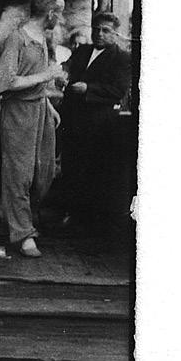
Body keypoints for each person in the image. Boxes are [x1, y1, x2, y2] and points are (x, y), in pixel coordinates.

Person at [0, 0, 66, 258]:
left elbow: (35, 79)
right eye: (60, 13)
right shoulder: (17, 39)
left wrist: (48, 105)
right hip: (18, 112)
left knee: (43, 171)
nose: (61, 19)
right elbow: (5, 83)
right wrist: (46, 75)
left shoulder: (42, 38)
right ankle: (23, 234)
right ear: (51, 13)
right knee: (19, 175)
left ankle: (22, 222)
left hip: (40, 110)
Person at [59, 12, 132, 231]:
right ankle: (71, 215)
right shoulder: (82, 51)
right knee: (71, 167)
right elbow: (67, 69)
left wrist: (88, 88)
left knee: (92, 170)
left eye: (105, 30)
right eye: (96, 29)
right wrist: (62, 75)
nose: (99, 34)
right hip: (73, 120)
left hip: (99, 123)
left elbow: (117, 91)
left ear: (115, 34)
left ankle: (90, 221)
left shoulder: (122, 58)